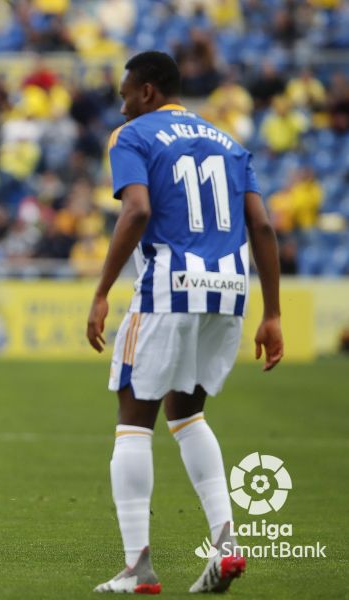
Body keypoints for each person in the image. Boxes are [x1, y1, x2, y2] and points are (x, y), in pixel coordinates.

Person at [86, 51, 283, 594]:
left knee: (133, 418)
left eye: (126, 93)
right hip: (228, 290)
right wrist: (273, 314)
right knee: (187, 413)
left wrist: (102, 292)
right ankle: (226, 546)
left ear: (147, 91)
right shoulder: (229, 142)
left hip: (168, 286)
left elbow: (139, 211)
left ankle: (138, 567)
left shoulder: (134, 135)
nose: (122, 105)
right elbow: (262, 228)